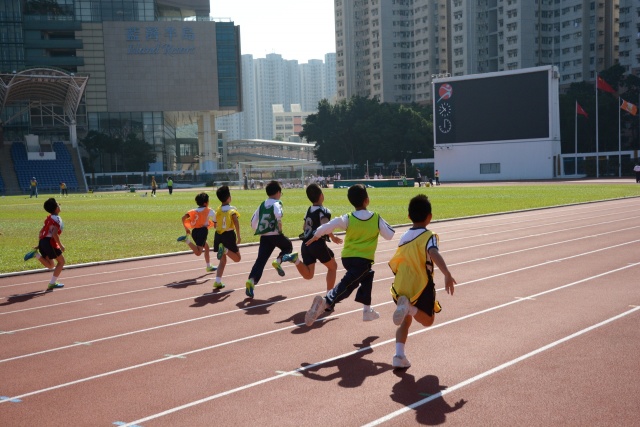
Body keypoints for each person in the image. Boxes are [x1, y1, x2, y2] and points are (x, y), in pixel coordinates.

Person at [304, 184, 395, 326]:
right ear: (367, 200)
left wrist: (316, 236)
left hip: (347, 258)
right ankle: (326, 301)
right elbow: (389, 235)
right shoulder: (375, 217)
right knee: (348, 285)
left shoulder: (348, 217)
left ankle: (367, 310)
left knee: (367, 275)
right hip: (363, 259)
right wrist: (379, 222)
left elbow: (328, 226)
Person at [389, 194, 456, 369]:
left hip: (401, 283)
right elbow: (433, 252)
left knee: (405, 321)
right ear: (429, 217)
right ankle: (410, 308)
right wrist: (447, 273)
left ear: (409, 216)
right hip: (421, 284)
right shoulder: (429, 236)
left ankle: (399, 355)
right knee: (428, 321)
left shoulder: (403, 236)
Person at [287, 183, 343, 294]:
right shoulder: (323, 211)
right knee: (333, 267)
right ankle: (329, 295)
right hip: (317, 244)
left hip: (305, 244)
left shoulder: (309, 210)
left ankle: (296, 260)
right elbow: (325, 225)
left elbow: (304, 227)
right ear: (321, 195)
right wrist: (333, 237)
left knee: (309, 275)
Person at [245, 180, 296, 298]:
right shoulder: (277, 203)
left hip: (264, 237)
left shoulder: (262, 204)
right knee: (288, 246)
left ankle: (251, 281)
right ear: (278, 192)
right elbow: (278, 214)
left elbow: (253, 221)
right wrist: (279, 226)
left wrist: (260, 230)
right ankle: (278, 261)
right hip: (275, 234)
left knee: (260, 260)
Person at [23, 198, 66, 290]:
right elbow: (54, 234)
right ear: (56, 208)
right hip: (50, 243)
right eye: (58, 204)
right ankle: (52, 283)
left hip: (43, 241)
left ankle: (36, 255)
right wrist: (61, 245)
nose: (60, 205)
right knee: (61, 262)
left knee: (51, 265)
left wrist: (40, 244)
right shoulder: (57, 219)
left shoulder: (49, 218)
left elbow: (41, 231)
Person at [177, 192, 219, 276]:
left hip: (194, 231)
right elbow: (215, 221)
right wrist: (215, 226)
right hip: (202, 231)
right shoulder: (209, 211)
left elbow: (183, 218)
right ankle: (187, 240)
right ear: (206, 203)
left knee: (206, 247)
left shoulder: (193, 211)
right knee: (198, 252)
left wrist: (186, 229)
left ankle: (208, 266)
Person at [212, 185, 242, 290]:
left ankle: (217, 281)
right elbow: (236, 221)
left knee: (222, 261)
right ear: (229, 197)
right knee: (237, 258)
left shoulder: (218, 210)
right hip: (229, 235)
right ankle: (225, 250)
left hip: (218, 235)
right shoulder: (232, 209)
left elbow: (215, 224)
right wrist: (238, 235)